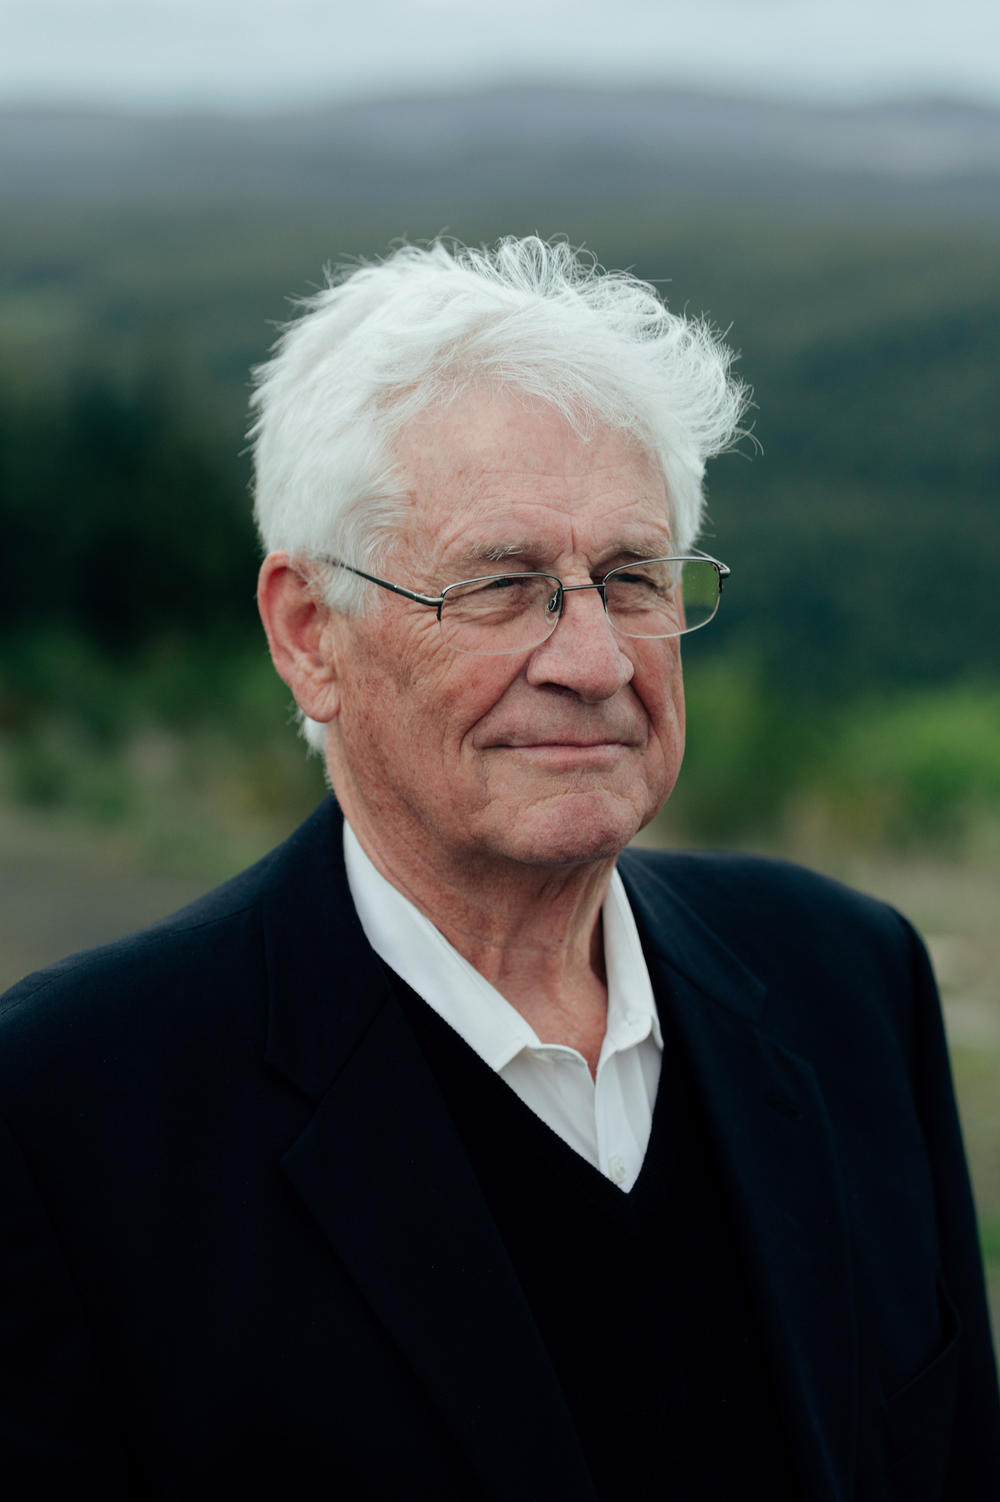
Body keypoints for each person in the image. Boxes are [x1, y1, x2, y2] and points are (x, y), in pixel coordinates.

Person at [1, 237, 997, 1501]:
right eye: (503, 584)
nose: (593, 657)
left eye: (630, 577)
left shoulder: (848, 981)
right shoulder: (71, 1113)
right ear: (310, 634)